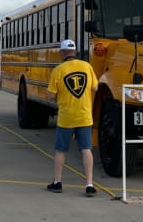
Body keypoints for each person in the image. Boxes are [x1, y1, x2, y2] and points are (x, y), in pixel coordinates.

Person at [46, 39, 98, 197]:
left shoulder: (58, 70)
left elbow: (50, 95)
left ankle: (57, 182)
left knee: (61, 150)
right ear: (75, 52)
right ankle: (89, 184)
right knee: (86, 149)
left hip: (66, 117)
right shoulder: (87, 67)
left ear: (62, 53)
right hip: (84, 115)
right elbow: (95, 87)